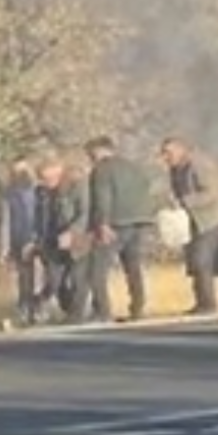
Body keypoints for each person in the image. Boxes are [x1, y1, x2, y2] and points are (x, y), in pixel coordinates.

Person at [160, 137, 218, 315]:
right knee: (194, 260)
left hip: (214, 216)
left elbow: (214, 192)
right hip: (195, 217)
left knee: (201, 259)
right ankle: (201, 302)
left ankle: (208, 304)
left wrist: (186, 201)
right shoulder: (175, 168)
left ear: (181, 150)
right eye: (163, 153)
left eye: (168, 152)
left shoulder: (200, 164)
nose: (165, 157)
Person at [85, 136, 155, 322]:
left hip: (115, 223)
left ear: (99, 150)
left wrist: (103, 223)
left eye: (90, 154)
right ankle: (138, 308)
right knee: (133, 267)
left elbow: (102, 197)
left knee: (97, 268)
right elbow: (147, 189)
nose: (90, 158)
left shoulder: (102, 169)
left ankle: (102, 311)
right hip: (140, 221)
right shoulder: (133, 167)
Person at [31, 158, 93, 324]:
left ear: (60, 173)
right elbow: (39, 218)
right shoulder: (41, 193)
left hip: (77, 238)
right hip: (52, 240)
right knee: (54, 280)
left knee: (78, 278)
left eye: (51, 178)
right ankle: (62, 308)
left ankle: (76, 314)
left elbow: (84, 212)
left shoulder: (77, 186)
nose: (48, 183)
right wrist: (36, 240)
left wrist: (72, 232)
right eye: (44, 179)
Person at [4, 158, 39, 323]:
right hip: (16, 236)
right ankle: (27, 307)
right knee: (24, 274)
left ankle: (29, 307)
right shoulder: (11, 191)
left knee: (27, 274)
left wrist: (31, 238)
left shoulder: (29, 190)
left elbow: (30, 215)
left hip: (25, 235)